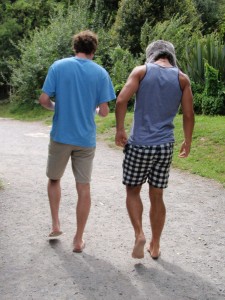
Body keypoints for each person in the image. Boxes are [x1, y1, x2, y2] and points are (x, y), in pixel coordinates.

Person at [115, 40, 194, 259]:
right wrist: (187, 141)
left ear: (151, 55)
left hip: (139, 144)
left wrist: (120, 130)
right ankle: (156, 245)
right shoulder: (182, 78)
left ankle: (140, 234)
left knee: (133, 190)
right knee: (157, 195)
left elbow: (121, 100)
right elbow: (189, 115)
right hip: (164, 146)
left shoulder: (141, 71)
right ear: (172, 56)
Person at [39, 30, 116, 253]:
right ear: (94, 50)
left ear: (75, 47)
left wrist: (56, 106)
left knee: (54, 179)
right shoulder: (100, 73)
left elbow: (44, 99)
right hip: (85, 139)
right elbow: (104, 112)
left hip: (61, 136)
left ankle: (55, 224)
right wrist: (91, 108)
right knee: (84, 187)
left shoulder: (58, 66)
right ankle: (78, 239)